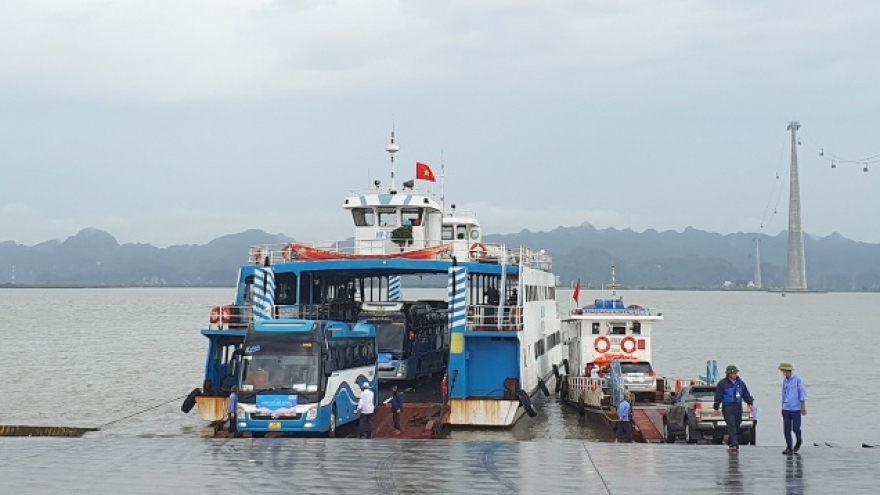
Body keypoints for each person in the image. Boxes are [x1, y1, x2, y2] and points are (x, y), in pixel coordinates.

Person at [713, 364, 753, 453]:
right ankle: (735, 445)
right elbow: (718, 395)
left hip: (738, 406)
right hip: (727, 406)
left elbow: (746, 394)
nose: (735, 374)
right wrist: (716, 406)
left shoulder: (741, 383)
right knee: (731, 425)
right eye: (733, 373)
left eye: (736, 373)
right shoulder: (722, 384)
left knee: (737, 424)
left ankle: (730, 440)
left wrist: (750, 403)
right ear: (729, 374)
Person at [779, 362, 807, 455]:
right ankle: (789, 447)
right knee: (787, 429)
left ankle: (799, 441)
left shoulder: (798, 379)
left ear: (788, 371)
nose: (783, 373)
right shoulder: (785, 381)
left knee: (796, 428)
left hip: (796, 408)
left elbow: (802, 392)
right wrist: (782, 407)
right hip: (786, 408)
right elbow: (784, 394)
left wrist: (803, 406)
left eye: (784, 371)